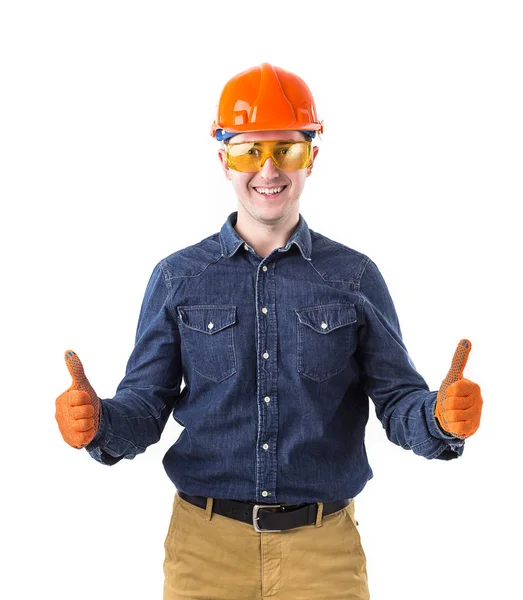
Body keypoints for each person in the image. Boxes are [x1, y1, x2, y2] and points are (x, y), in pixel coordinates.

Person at [55, 62, 484, 600]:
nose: (268, 169)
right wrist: (99, 423)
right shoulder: (177, 278)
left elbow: (398, 402)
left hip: (324, 552)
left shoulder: (353, 277)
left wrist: (439, 418)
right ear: (222, 159)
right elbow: (144, 405)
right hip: (203, 551)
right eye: (248, 151)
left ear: (313, 158)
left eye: (287, 149)